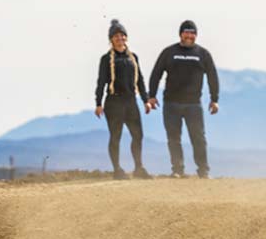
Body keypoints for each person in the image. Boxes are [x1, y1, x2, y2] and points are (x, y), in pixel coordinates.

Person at [147, 20, 220, 179]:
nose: (189, 36)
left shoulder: (203, 54)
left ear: (196, 35)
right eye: (186, 32)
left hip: (193, 104)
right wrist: (151, 96)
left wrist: (214, 99)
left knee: (198, 138)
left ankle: (203, 171)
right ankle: (177, 170)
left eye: (192, 33)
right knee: (173, 139)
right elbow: (156, 73)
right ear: (180, 34)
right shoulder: (169, 52)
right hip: (171, 103)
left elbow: (212, 76)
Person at [94, 19, 151, 180]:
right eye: (116, 36)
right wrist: (98, 103)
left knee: (138, 135)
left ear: (126, 37)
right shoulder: (106, 59)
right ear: (111, 39)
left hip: (131, 101)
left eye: (122, 35)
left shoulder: (133, 58)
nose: (120, 38)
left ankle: (138, 168)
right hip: (114, 102)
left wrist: (145, 100)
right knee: (115, 136)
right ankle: (117, 170)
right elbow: (101, 81)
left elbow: (140, 80)